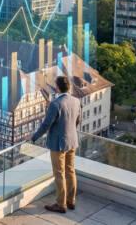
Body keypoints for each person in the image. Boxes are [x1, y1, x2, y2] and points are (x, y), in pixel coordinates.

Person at [31, 75, 81, 214]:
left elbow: (46, 124)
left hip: (58, 144)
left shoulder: (55, 104)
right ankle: (71, 201)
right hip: (72, 141)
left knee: (59, 173)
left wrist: (34, 137)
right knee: (70, 171)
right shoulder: (76, 101)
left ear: (58, 88)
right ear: (69, 87)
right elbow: (78, 120)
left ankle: (61, 204)